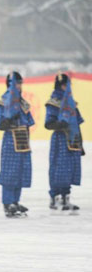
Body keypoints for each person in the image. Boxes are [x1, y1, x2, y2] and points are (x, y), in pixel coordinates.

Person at [44, 73, 84, 214]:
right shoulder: (53, 102)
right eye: (65, 85)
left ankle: (66, 198)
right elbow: (48, 124)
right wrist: (60, 124)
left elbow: (77, 123)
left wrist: (81, 144)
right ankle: (54, 197)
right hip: (60, 140)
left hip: (73, 140)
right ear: (60, 85)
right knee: (58, 169)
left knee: (70, 170)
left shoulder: (71, 103)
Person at [0, 72, 34, 218]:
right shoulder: (4, 101)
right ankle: (8, 203)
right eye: (17, 83)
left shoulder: (23, 102)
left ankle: (15, 201)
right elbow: (0, 124)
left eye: (20, 83)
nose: (19, 86)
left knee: (20, 171)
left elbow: (29, 121)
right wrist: (11, 119)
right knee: (9, 172)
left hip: (23, 140)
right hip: (11, 139)